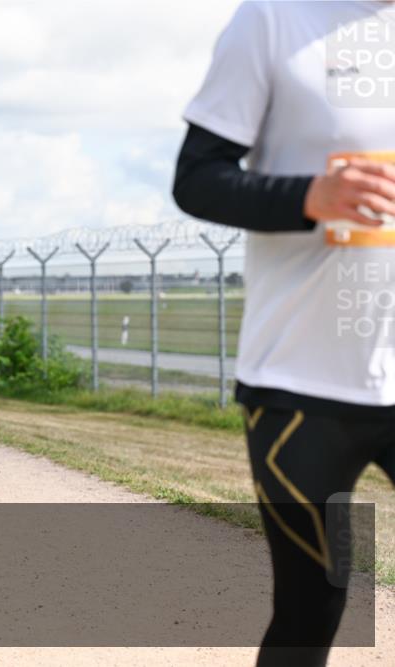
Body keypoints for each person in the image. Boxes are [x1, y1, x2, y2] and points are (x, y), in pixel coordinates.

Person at [172, 3, 395, 665]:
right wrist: (309, 196)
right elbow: (197, 179)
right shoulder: (273, 19)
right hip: (299, 387)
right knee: (311, 608)